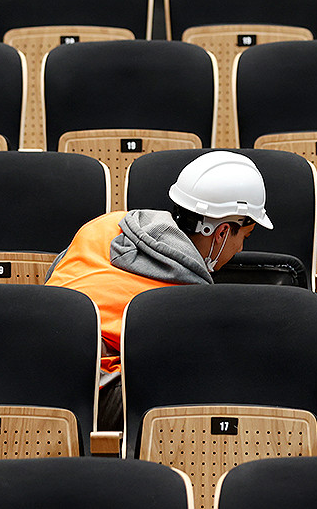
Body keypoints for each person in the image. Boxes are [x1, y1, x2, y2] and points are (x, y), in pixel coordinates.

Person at [45, 151, 272, 427]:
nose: (240, 250)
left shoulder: (104, 225)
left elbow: (52, 282)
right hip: (94, 395)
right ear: (222, 232)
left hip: (36, 372)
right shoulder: (188, 297)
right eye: (244, 237)